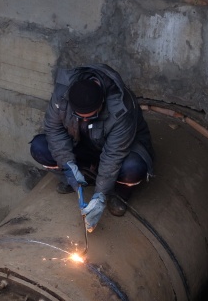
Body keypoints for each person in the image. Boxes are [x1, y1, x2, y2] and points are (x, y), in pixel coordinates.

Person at [30, 63, 154, 233]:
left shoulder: (121, 108)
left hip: (118, 151)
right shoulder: (62, 95)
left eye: (91, 116)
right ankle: (80, 180)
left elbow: (113, 155)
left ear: (101, 102)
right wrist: (69, 166)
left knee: (134, 167)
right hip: (81, 144)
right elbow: (54, 130)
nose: (86, 120)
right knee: (40, 147)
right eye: (80, 116)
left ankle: (119, 193)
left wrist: (100, 194)